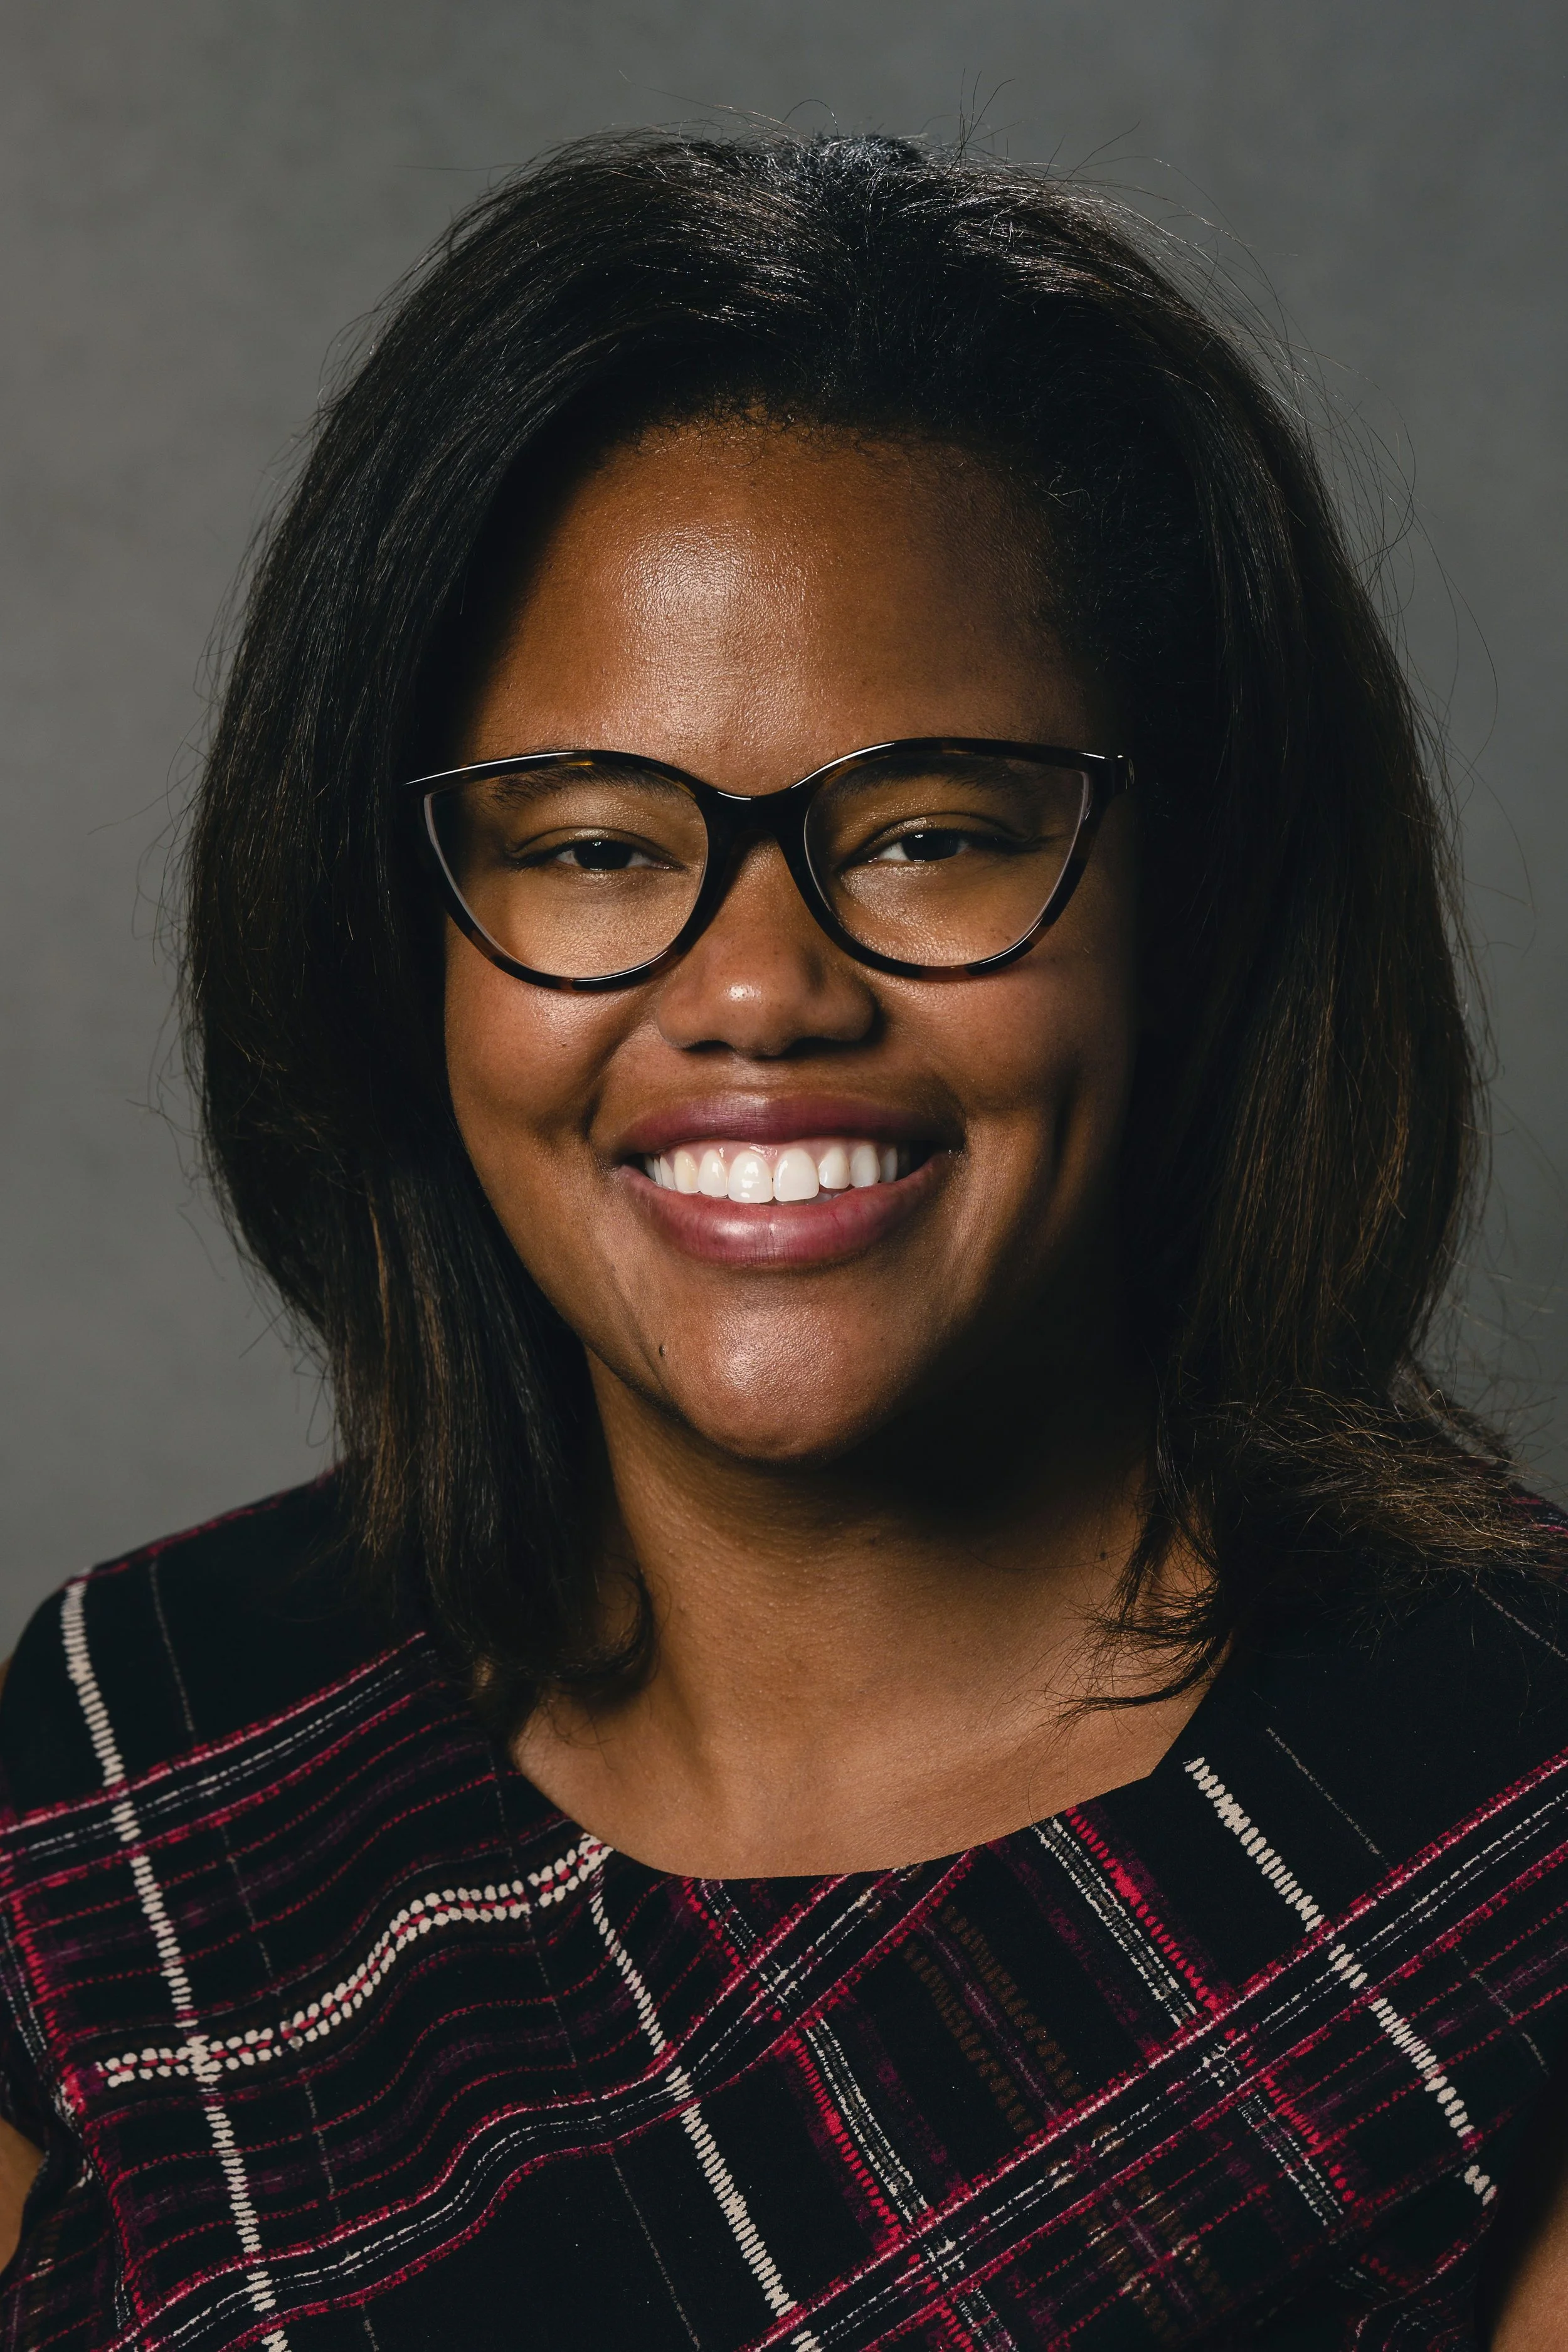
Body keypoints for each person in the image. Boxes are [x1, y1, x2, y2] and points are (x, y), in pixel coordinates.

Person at [0, 129, 1563, 2350]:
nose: (754, 992)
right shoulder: (143, 1750)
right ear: (399, 941)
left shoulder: (1517, 1826)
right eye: (591, 845)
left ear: (1185, 913)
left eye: (926, 831)